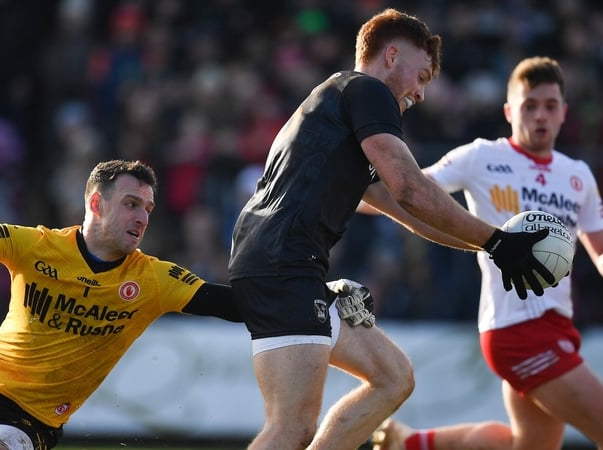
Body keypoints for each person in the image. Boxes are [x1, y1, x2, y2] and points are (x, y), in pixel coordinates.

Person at [0, 157, 372, 450]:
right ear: (95, 203)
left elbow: (236, 305)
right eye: (130, 203)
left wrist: (318, 293)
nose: (142, 216)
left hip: (23, 422)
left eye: (147, 207)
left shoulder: (153, 279)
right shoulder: (37, 246)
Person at [228, 9, 557, 450]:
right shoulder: (367, 90)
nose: (420, 93)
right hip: (284, 266)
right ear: (391, 55)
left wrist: (493, 247)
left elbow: (406, 209)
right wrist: (498, 240)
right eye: (421, 76)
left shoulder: (336, 103)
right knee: (291, 428)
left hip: (279, 263)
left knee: (393, 377)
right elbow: (410, 189)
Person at [371, 56, 603, 450]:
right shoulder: (483, 157)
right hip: (517, 330)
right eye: (529, 105)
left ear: (564, 112)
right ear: (509, 111)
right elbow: (410, 188)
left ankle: (408, 442)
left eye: (550, 106)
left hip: (558, 325)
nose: (540, 115)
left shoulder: (578, 174)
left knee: (529, 444)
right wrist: (354, 190)